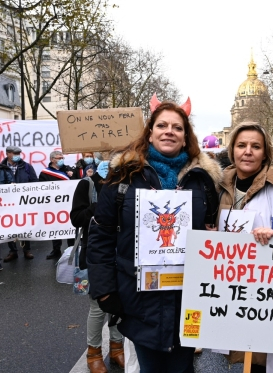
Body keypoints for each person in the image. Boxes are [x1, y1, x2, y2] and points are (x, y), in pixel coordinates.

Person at [88, 100, 222, 373]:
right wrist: (104, 290)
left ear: (186, 137)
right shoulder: (124, 176)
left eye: (177, 127)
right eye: (161, 125)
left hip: (189, 297)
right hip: (139, 299)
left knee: (183, 368)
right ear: (149, 133)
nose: (169, 131)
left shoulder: (204, 181)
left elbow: (215, 230)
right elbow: (101, 234)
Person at [217, 122, 273, 373]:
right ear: (232, 150)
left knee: (264, 358)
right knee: (240, 353)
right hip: (231, 290)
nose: (248, 151)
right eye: (242, 145)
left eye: (256, 146)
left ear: (265, 153)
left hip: (268, 295)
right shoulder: (219, 187)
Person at [70, 158, 124, 373]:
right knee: (97, 306)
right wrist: (98, 207)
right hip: (95, 252)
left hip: (122, 253)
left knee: (120, 302)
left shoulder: (124, 182)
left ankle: (117, 348)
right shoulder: (87, 184)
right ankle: (94, 353)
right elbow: (76, 218)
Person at [1, 146, 38, 261]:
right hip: (7, 203)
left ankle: (27, 249)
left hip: (24, 202)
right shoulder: (0, 168)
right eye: (15, 153)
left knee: (25, 225)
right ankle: (13, 251)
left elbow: (34, 182)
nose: (17, 155)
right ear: (7, 154)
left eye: (19, 153)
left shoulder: (27, 167)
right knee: (8, 226)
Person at [40, 150, 76, 259]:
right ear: (52, 159)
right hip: (54, 204)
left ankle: (71, 248)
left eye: (62, 158)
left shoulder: (68, 170)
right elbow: (42, 189)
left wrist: (72, 176)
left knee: (70, 225)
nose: (61, 160)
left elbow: (76, 184)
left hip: (69, 203)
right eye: (58, 158)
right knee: (55, 227)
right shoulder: (45, 173)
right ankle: (56, 250)